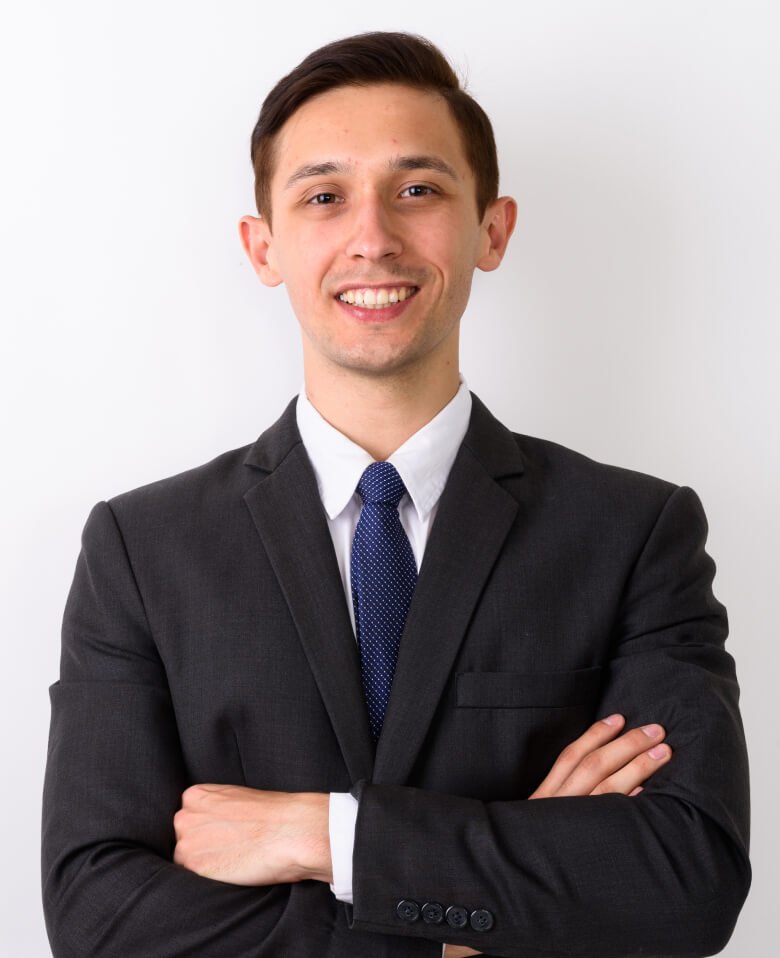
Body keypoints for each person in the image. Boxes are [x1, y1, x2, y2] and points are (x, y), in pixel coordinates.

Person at [42, 31, 750, 958]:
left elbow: (688, 880)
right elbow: (97, 916)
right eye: (324, 197)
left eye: (418, 190)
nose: (372, 238)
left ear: (492, 230)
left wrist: (326, 836)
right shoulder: (142, 548)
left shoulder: (634, 534)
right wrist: (460, 927)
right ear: (263, 246)